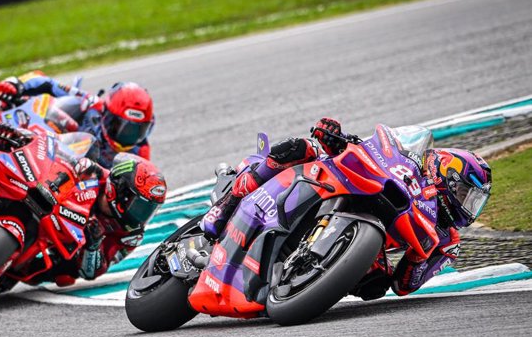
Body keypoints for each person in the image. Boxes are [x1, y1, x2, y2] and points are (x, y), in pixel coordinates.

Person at [200, 118, 492, 300]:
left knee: (375, 286)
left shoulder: (446, 238)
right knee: (302, 148)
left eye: (473, 200)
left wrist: (423, 256)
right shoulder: (411, 168)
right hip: (337, 182)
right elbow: (371, 149)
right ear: (444, 175)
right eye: (465, 193)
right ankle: (228, 205)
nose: (467, 204)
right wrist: (335, 136)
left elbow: (404, 285)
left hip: (364, 244)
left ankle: (305, 280)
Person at [0, 124, 167, 284]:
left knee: (62, 275)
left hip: (57, 252)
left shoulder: (130, 235)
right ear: (119, 189)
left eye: (147, 210)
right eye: (139, 205)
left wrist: (94, 246)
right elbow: (55, 147)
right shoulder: (92, 171)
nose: (140, 215)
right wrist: (23, 137)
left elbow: (93, 272)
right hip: (41, 203)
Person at [0, 71, 155, 167]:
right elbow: (47, 82)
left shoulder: (140, 153)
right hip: (48, 156)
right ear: (107, 114)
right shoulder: (92, 104)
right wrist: (15, 84)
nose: (127, 136)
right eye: (121, 126)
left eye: (136, 131)